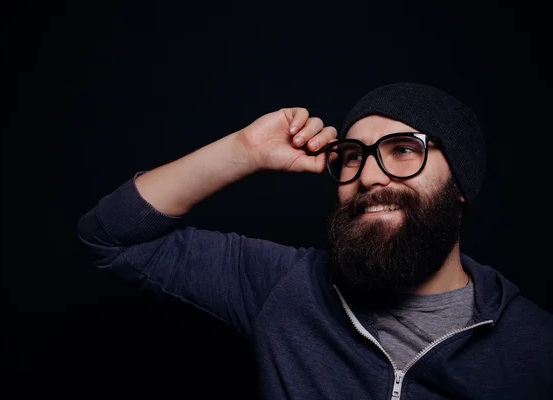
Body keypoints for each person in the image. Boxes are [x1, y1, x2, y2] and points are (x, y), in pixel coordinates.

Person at [77, 82, 553, 399]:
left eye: (404, 150)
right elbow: (114, 237)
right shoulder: (284, 286)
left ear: (461, 186)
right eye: (351, 156)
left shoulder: (536, 345)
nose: (368, 176)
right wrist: (243, 152)